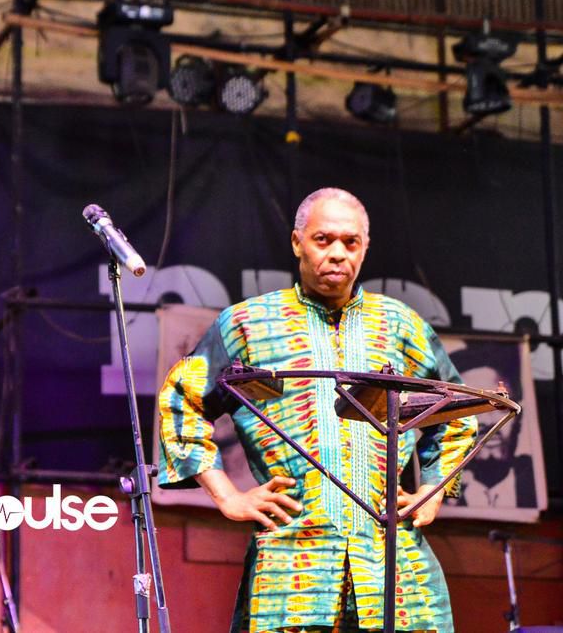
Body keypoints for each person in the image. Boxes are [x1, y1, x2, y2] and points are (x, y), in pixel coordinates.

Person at [157, 187, 477, 633]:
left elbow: (456, 411)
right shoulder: (248, 324)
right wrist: (228, 496)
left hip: (394, 568)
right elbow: (182, 400)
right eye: (323, 240)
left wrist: (434, 491)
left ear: (365, 249)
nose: (338, 254)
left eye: (351, 242)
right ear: (297, 243)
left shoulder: (400, 324)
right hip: (292, 572)